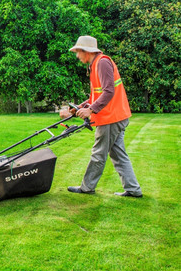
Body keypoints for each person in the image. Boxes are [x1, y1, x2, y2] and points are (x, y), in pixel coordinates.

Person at [59, 35, 142, 198]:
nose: (77, 56)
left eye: (78, 52)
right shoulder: (95, 64)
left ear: (86, 51)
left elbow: (109, 91)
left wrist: (91, 110)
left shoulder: (102, 63)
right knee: (118, 153)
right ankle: (133, 189)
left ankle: (87, 187)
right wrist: (80, 107)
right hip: (116, 116)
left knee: (98, 153)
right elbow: (96, 95)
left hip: (111, 117)